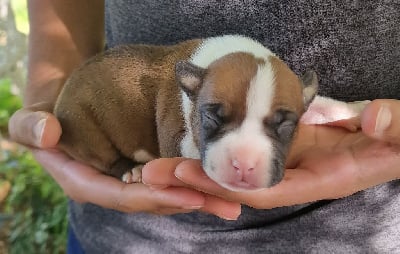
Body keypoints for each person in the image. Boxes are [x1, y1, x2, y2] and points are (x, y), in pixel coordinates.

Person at [9, 1, 400, 253]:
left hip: (365, 227)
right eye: (216, 118)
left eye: (280, 126)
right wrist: (49, 88)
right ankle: (115, 161)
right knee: (101, 132)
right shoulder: (186, 89)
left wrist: (350, 115)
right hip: (120, 231)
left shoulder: (266, 81)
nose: (245, 162)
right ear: (191, 88)